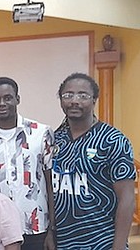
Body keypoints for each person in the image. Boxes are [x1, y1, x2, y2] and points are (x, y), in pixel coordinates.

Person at [0, 77, 55, 250]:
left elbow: (51, 182)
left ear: (17, 99)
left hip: (35, 228)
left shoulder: (41, 133)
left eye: (8, 98)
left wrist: (53, 229)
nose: (2, 103)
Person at [52, 73, 136, 250]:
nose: (74, 101)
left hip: (102, 241)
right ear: (60, 100)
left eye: (83, 95)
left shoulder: (113, 140)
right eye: (68, 95)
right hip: (62, 242)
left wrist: (119, 246)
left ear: (94, 100)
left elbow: (127, 198)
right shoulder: (54, 139)